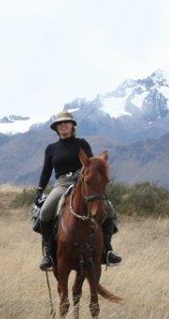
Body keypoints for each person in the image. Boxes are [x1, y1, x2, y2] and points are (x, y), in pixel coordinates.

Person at [35, 111, 121, 271]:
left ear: (72, 125)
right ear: (56, 128)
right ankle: (48, 255)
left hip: (81, 183)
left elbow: (91, 166)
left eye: (66, 122)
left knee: (108, 209)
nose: (63, 125)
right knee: (45, 212)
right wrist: (40, 190)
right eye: (60, 124)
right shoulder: (51, 148)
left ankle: (107, 250)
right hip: (61, 184)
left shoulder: (82, 143)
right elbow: (46, 171)